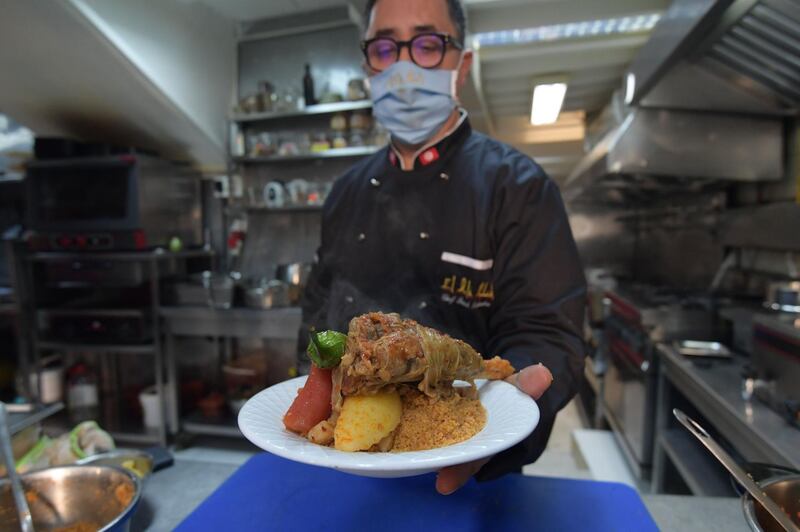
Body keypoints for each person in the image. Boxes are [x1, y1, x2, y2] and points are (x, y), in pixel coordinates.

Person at [300, 0, 586, 495]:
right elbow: (318, 310)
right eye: (385, 47)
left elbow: (547, 334)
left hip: (472, 466)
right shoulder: (344, 191)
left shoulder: (518, 187)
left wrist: (507, 421)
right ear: (369, 65)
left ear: (463, 65)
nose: (404, 66)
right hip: (345, 470)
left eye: (428, 45)